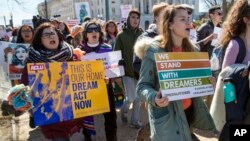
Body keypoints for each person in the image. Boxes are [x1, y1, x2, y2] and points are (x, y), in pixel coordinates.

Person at [136, 5, 216, 141]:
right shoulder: (153, 52)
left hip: (188, 113)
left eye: (188, 19)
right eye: (183, 19)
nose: (188, 23)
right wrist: (155, 97)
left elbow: (196, 87)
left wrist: (208, 83)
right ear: (170, 24)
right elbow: (142, 87)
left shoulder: (193, 52)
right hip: (167, 117)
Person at [21, 23, 84, 141]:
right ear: (40, 40)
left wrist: (101, 81)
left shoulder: (71, 55)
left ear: (58, 36)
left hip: (72, 113)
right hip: (50, 115)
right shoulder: (32, 61)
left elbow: (84, 78)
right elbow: (25, 86)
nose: (51, 37)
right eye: (46, 35)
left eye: (53, 33)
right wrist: (28, 100)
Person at [79, 19, 117, 141]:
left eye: (96, 29)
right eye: (90, 30)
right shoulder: (79, 51)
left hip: (105, 87)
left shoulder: (108, 48)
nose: (94, 32)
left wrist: (110, 76)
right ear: (86, 34)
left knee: (111, 118)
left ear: (100, 33)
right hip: (87, 89)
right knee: (86, 118)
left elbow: (113, 68)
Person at [114, 9, 143, 128]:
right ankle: (123, 110)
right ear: (128, 19)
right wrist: (118, 73)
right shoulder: (121, 35)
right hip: (127, 72)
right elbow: (116, 54)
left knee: (138, 98)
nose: (135, 20)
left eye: (137, 18)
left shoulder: (142, 34)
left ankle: (134, 121)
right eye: (133, 17)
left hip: (140, 71)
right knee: (131, 97)